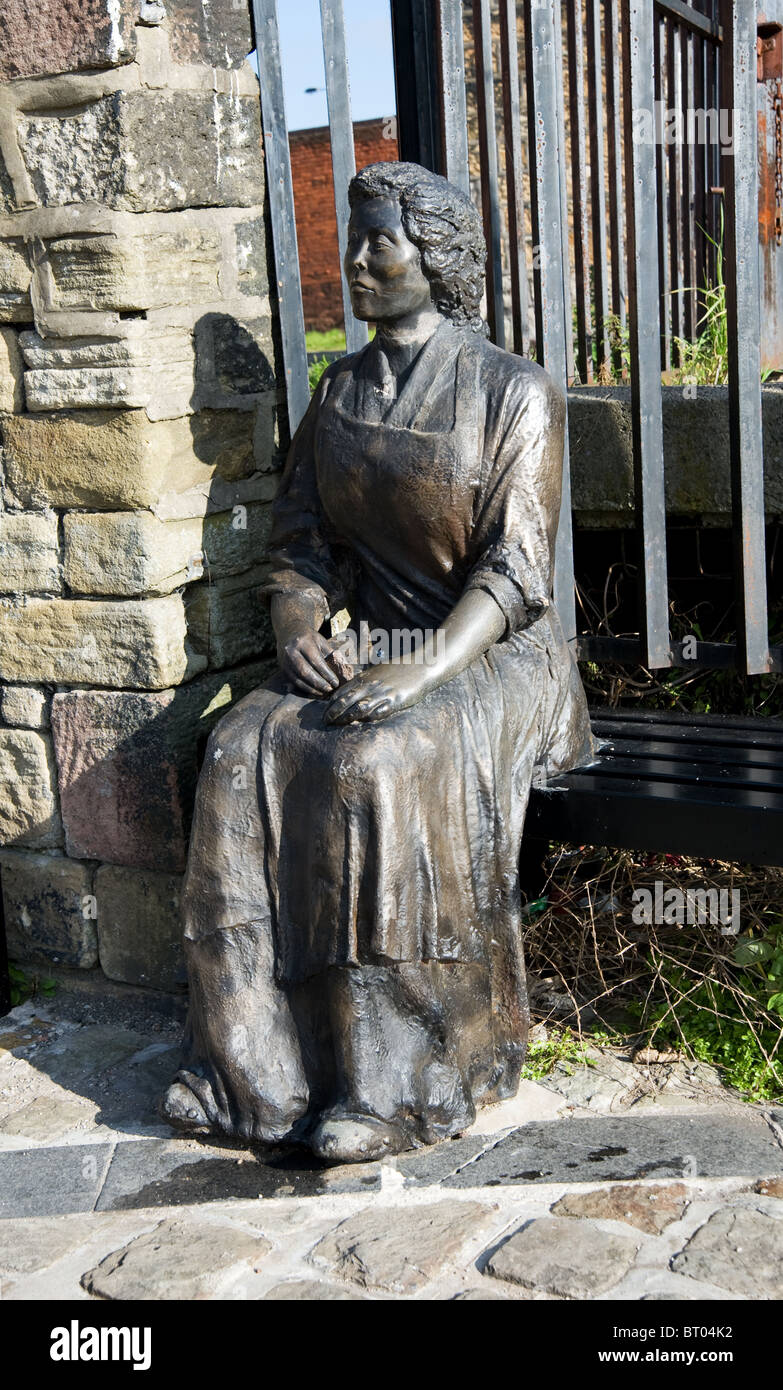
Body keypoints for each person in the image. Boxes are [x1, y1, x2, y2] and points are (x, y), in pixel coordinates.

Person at [160, 161, 595, 1163]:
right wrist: (298, 626)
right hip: (378, 642)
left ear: (436, 262)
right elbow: (302, 543)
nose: (355, 261)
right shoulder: (341, 389)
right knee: (237, 748)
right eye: (352, 242)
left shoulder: (513, 392)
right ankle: (250, 1072)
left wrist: (420, 672)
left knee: (373, 764)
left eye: (378, 244)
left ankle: (398, 1078)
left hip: (495, 657)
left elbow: (518, 573)